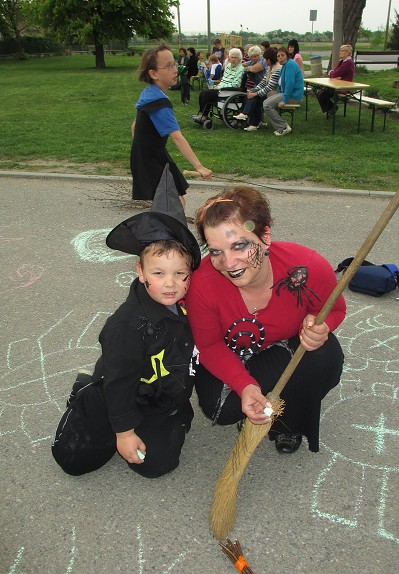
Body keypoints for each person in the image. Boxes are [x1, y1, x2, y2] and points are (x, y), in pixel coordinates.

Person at [52, 166, 202, 478]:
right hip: (123, 393)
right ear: (140, 271)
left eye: (180, 274)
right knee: (74, 461)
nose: (170, 284)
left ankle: (172, 415)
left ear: (190, 273)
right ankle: (86, 392)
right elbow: (120, 383)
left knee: (157, 466)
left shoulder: (189, 304)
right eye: (158, 273)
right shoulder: (126, 328)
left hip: (160, 396)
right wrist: (123, 432)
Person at [185, 186, 345, 455]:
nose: (228, 262)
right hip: (231, 353)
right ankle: (257, 399)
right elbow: (210, 345)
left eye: (240, 245)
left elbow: (335, 309)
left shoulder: (307, 266)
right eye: (215, 251)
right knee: (222, 407)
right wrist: (245, 386)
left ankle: (287, 422)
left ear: (265, 236)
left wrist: (323, 326)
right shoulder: (201, 283)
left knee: (324, 357)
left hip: (284, 349)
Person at [130, 45, 212, 208]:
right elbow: (177, 137)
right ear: (153, 74)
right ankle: (164, 231)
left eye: (174, 64)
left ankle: (165, 230)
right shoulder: (160, 103)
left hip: (150, 155)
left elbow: (134, 126)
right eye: (168, 66)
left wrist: (141, 148)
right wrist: (199, 166)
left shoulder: (149, 92)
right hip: (152, 159)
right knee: (173, 203)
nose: (175, 69)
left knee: (171, 202)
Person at [191, 48, 244, 126]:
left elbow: (236, 84)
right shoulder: (228, 66)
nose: (233, 59)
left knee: (207, 94)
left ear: (239, 59)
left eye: (235, 58)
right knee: (203, 92)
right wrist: (218, 86)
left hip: (229, 92)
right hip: (222, 90)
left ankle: (204, 117)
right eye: (231, 57)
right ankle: (203, 114)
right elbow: (224, 80)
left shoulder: (240, 68)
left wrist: (220, 87)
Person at [234, 47, 281, 131]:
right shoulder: (270, 68)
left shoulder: (277, 69)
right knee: (251, 97)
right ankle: (252, 122)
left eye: (265, 59)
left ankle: (248, 117)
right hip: (268, 91)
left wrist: (255, 93)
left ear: (269, 60)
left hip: (274, 93)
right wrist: (253, 90)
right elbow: (263, 82)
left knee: (255, 98)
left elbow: (269, 87)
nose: (264, 61)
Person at [262, 46, 304, 136]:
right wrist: (277, 95)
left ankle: (283, 127)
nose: (280, 57)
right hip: (286, 93)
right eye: (278, 56)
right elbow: (281, 84)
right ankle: (281, 126)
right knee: (265, 102)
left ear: (287, 56)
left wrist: (284, 100)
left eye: (282, 55)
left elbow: (290, 84)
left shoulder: (290, 65)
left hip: (293, 95)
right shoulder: (285, 66)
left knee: (267, 105)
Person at [316, 44, 355, 116]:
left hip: (343, 87)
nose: (340, 52)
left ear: (348, 53)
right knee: (319, 93)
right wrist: (335, 75)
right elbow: (336, 72)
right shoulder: (342, 61)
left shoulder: (348, 62)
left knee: (322, 94)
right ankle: (331, 109)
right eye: (340, 50)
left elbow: (335, 73)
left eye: (342, 51)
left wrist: (333, 74)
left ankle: (331, 109)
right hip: (337, 84)